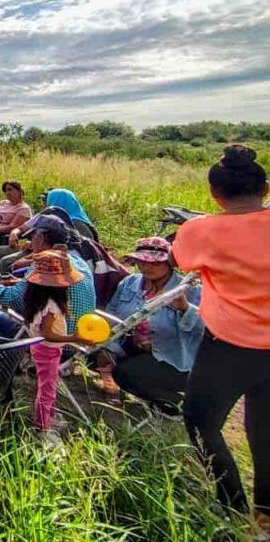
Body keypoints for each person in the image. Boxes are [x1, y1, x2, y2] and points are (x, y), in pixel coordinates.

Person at [174, 144, 270, 526]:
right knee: (264, 423)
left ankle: (230, 506)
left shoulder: (202, 231)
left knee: (200, 420)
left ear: (215, 194)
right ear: (265, 189)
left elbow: (184, 260)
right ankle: (265, 509)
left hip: (231, 345)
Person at [100, 237, 202, 414]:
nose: (147, 267)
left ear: (169, 263)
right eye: (142, 261)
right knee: (93, 354)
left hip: (174, 358)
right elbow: (111, 316)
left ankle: (177, 404)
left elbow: (207, 329)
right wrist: (108, 348)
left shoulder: (189, 289)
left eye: (155, 263)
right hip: (131, 347)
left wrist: (185, 308)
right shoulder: (129, 283)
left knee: (125, 374)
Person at [0, 215, 96, 339]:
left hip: (51, 342)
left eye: (32, 237)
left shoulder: (44, 263)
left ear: (40, 238)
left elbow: (14, 299)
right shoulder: (79, 263)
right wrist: (21, 282)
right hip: (80, 340)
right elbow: (57, 289)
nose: (30, 242)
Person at [21, 247, 88, 434]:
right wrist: (73, 338)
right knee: (47, 389)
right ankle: (43, 427)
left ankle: (48, 415)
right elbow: (47, 333)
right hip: (48, 348)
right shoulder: (51, 306)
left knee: (47, 384)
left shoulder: (37, 300)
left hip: (40, 347)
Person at [0, 188, 91, 279]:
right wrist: (15, 234)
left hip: (55, 258)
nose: (44, 203)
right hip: (36, 248)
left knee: (6, 262)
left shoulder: (78, 225)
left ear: (57, 200)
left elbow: (66, 251)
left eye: (46, 200)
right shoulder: (47, 214)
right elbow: (23, 228)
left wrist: (35, 249)